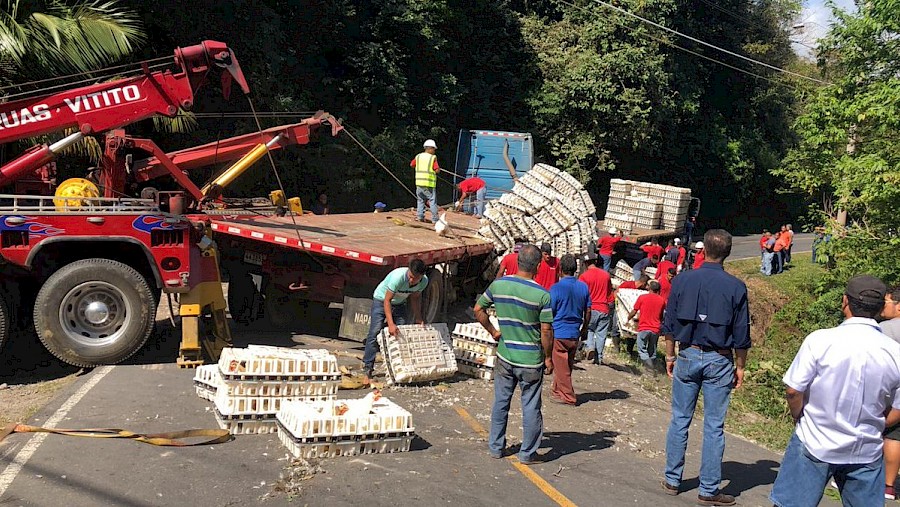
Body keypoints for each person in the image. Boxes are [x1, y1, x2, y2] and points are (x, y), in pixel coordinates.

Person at [770, 276, 900, 507]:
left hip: (815, 438)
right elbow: (897, 410)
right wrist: (874, 423)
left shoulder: (820, 340)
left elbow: (793, 390)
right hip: (865, 448)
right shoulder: (895, 353)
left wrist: (798, 415)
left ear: (844, 302)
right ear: (881, 308)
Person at [662, 229, 750, 506]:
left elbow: (670, 324)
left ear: (702, 252)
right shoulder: (736, 287)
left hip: (688, 353)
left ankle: (672, 479)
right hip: (719, 359)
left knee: (679, 419)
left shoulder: (683, 280)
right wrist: (740, 366)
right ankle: (709, 489)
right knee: (714, 426)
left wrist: (669, 356)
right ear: (728, 252)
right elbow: (741, 332)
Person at [474, 244, 553, 464]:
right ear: (538, 266)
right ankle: (527, 453)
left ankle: (496, 447)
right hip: (531, 361)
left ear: (517, 263)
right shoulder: (542, 295)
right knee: (530, 406)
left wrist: (494, 332)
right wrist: (548, 357)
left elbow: (478, 309)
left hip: (506, 356)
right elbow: (546, 330)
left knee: (501, 401)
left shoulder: (499, 285)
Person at [362, 259, 429, 383]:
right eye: (410, 277)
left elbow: (415, 299)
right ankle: (367, 368)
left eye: (415, 279)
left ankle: (398, 369)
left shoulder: (423, 282)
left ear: (421, 277)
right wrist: (391, 324)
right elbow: (387, 301)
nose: (411, 281)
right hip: (381, 301)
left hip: (399, 304)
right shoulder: (398, 277)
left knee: (401, 333)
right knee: (375, 333)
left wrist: (419, 318)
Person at [549, 254, 591, 405]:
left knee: (562, 367)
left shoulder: (556, 288)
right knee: (565, 366)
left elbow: (550, 312)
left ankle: (568, 397)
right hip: (575, 332)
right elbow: (588, 311)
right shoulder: (583, 287)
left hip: (559, 332)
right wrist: (585, 329)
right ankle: (556, 390)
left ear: (560, 270)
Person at [881, 287, 900, 500]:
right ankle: (889, 485)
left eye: (887, 301)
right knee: (896, 437)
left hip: (889, 391)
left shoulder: (885, 328)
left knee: (878, 431)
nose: (883, 305)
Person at [579, 252, 614, 365]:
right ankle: (599, 358)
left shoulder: (584, 277)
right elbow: (610, 295)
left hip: (591, 308)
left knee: (589, 329)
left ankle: (590, 347)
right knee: (601, 334)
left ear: (585, 263)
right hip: (604, 309)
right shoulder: (606, 275)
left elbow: (580, 295)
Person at [628, 279, 667, 372]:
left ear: (649, 288)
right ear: (658, 290)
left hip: (644, 327)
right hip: (656, 329)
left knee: (641, 349)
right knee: (652, 351)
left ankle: (650, 368)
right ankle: (652, 366)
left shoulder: (642, 297)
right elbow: (662, 316)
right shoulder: (662, 300)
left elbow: (634, 311)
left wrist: (628, 318)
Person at [411, 139, 441, 223]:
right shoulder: (432, 158)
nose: (434, 151)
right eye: (434, 149)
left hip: (419, 183)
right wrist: (438, 170)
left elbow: (412, 164)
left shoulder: (418, 156)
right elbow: (436, 169)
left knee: (420, 200)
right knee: (432, 201)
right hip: (428, 184)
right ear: (430, 148)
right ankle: (435, 219)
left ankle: (420, 217)